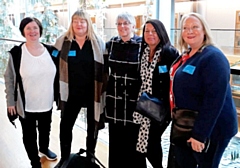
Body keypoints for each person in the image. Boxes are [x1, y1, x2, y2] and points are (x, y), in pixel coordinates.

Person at [168, 12, 238, 168]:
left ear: (204, 30)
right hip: (188, 123)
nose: (189, 31)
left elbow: (214, 100)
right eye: (185, 28)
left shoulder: (213, 57)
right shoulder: (188, 54)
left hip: (212, 129)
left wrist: (200, 135)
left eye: (194, 27)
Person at [53, 10, 106, 168]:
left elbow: (105, 69)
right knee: (65, 125)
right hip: (71, 93)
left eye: (82, 21)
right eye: (76, 21)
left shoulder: (98, 43)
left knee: (92, 126)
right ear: (72, 23)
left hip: (92, 93)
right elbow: (53, 61)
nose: (79, 24)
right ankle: (65, 157)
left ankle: (90, 155)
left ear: (88, 23)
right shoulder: (63, 41)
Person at [4, 17, 58, 168]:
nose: (32, 31)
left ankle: (44, 148)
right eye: (28, 28)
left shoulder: (51, 51)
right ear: (23, 31)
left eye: (35, 28)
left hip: (46, 102)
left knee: (45, 129)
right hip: (25, 105)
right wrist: (10, 102)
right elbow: (8, 78)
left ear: (40, 30)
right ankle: (34, 161)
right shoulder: (16, 54)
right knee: (29, 136)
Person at [132, 19, 179, 168]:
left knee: (152, 141)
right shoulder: (143, 52)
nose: (150, 34)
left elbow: (174, 81)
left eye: (154, 31)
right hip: (143, 105)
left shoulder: (169, 53)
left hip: (160, 108)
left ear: (161, 33)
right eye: (147, 31)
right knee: (141, 142)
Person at [104, 11, 146, 168]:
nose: (122, 26)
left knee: (134, 141)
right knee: (115, 140)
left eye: (126, 23)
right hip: (114, 99)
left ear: (133, 26)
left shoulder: (142, 45)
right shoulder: (112, 43)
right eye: (119, 24)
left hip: (134, 100)